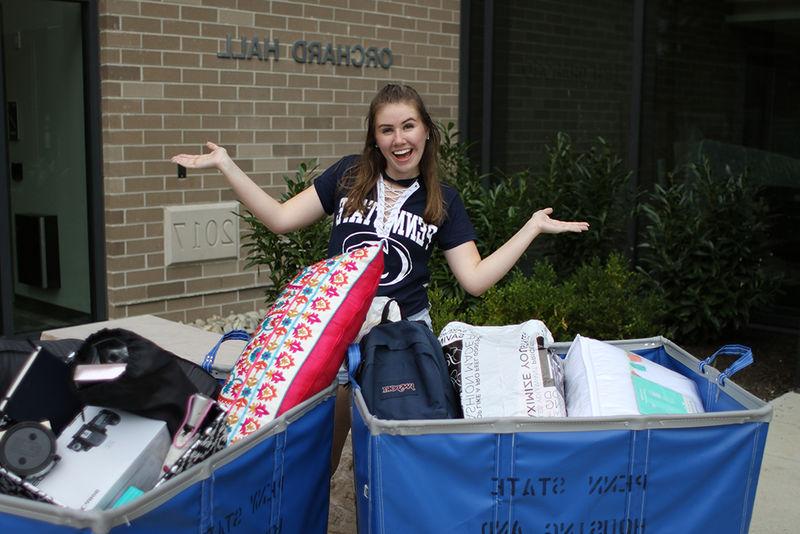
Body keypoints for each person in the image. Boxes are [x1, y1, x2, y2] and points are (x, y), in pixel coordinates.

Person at [171, 83, 589, 472]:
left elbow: (475, 279)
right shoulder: (349, 176)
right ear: (375, 138)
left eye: (408, 126)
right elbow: (280, 218)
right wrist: (226, 164)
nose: (398, 139)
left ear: (427, 131)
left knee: (399, 455)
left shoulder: (443, 200)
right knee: (321, 456)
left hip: (401, 340)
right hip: (337, 332)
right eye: (386, 130)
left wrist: (531, 228)